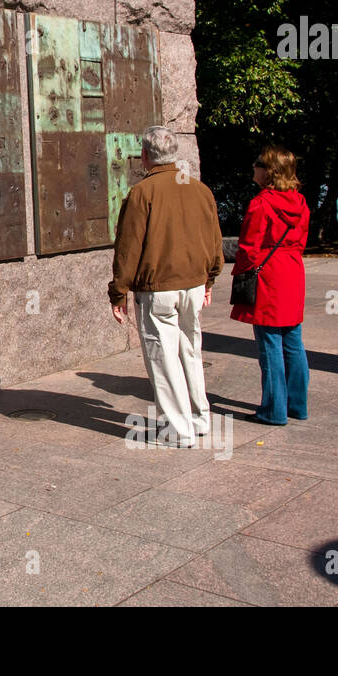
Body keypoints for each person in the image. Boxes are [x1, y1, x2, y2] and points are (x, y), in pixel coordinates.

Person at [109, 126, 224, 447]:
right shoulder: (200, 191)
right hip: (194, 285)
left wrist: (118, 292)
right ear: (174, 154)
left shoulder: (141, 193)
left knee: (163, 357)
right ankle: (200, 417)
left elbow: (128, 248)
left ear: (145, 156)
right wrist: (209, 279)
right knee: (190, 350)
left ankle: (178, 429)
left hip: (157, 289)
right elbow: (215, 243)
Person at [230, 145, 311, 424]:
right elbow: (301, 242)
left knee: (269, 344)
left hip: (268, 274)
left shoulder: (261, 203)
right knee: (293, 340)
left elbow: (248, 247)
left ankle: (273, 410)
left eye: (258, 163)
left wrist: (240, 274)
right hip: (292, 270)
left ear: (269, 171)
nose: (254, 167)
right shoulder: (300, 201)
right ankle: (296, 405)